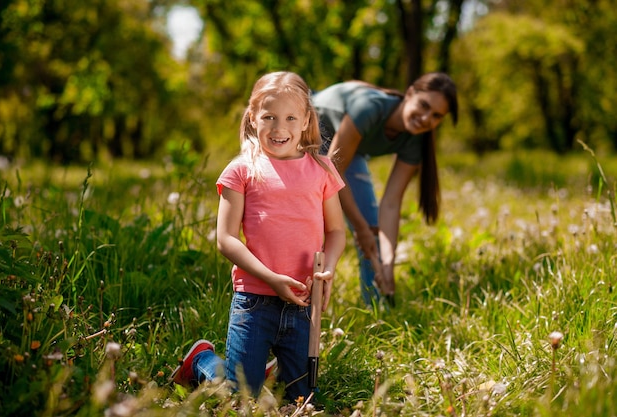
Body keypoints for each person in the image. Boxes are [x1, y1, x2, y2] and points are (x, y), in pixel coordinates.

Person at [170, 71, 346, 402]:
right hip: (254, 301)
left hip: (303, 302)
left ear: (306, 119)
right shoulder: (241, 170)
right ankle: (202, 361)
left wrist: (330, 267)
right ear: (253, 118)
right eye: (269, 117)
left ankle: (259, 366)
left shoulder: (321, 168)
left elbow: (337, 231)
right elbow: (226, 239)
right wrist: (271, 277)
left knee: (302, 399)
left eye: (291, 117)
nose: (280, 128)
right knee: (241, 400)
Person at [312, 72, 458, 307]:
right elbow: (332, 176)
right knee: (313, 226)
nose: (425, 118)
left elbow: (391, 202)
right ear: (410, 93)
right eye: (423, 105)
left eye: (436, 116)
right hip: (308, 133)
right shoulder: (369, 108)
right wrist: (360, 229)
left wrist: (388, 263)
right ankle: (299, 308)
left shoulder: (415, 139)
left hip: (342, 152)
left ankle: (377, 311)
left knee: (374, 235)